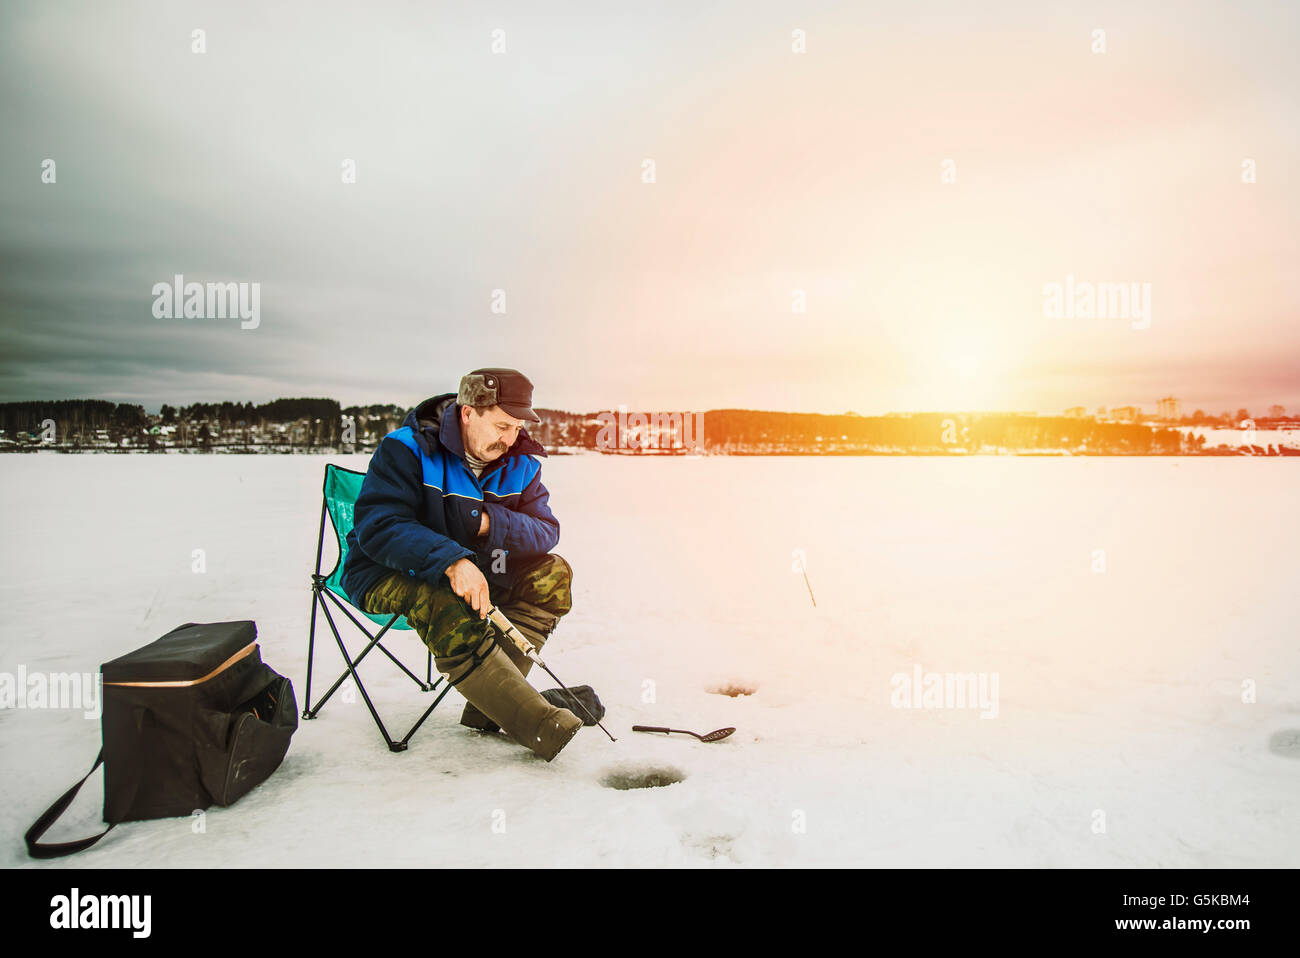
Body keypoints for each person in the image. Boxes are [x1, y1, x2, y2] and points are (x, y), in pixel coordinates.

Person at [340, 367, 601, 761]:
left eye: (516, 427)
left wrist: (488, 522)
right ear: (467, 413)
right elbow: (380, 527)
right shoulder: (407, 449)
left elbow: (545, 531)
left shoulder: (522, 463)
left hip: (485, 572)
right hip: (385, 573)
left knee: (553, 574)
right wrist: (450, 561)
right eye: (501, 425)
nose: (509, 438)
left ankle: (490, 705)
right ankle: (539, 725)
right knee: (444, 598)